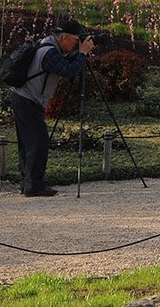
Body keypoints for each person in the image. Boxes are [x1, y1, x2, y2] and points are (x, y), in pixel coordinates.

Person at [7, 19, 95, 197]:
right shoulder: (49, 52)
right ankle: (34, 186)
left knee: (28, 144)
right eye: (76, 40)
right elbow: (69, 71)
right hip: (28, 100)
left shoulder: (48, 46)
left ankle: (27, 183)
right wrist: (82, 54)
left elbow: (65, 64)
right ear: (64, 37)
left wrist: (80, 53)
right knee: (38, 143)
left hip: (23, 98)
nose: (77, 44)